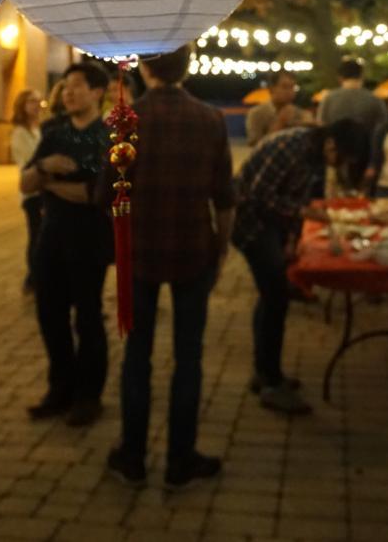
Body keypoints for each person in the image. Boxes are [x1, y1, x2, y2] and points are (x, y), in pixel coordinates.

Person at [101, 46, 234, 490]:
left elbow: (107, 193)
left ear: (146, 67)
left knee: (137, 357)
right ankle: (181, 459)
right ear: (187, 67)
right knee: (189, 357)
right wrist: (222, 247)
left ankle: (133, 457)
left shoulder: (125, 121)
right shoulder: (210, 120)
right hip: (194, 248)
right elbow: (225, 197)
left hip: (139, 252)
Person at [232, 119, 369, 415]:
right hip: (250, 224)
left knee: (271, 296)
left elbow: (298, 196)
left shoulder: (314, 154)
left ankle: (265, 373)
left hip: (271, 225)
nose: (338, 164)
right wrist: (302, 213)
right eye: (341, 158)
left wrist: (293, 236)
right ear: (332, 143)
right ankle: (270, 383)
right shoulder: (290, 147)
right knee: (276, 297)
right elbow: (257, 196)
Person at [20, 62, 114, 427]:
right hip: (52, 238)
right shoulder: (54, 133)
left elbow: (93, 195)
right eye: (66, 85)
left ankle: (89, 396)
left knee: (88, 317)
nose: (69, 92)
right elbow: (24, 184)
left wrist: (52, 184)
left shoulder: (106, 136)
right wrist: (44, 169)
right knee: (50, 315)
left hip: (89, 241)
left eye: (77, 85)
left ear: (97, 92)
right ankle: (60, 389)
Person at [10, 89, 44, 295]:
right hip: (32, 193)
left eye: (38, 101)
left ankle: (36, 276)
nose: (36, 105)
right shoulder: (20, 133)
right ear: (23, 105)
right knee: (36, 235)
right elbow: (26, 164)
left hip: (45, 190)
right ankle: (33, 278)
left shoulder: (39, 128)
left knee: (41, 235)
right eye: (32, 101)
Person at [318, 57, 386, 136]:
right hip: (367, 146)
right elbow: (383, 124)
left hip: (337, 146)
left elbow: (321, 124)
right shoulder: (374, 99)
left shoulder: (328, 99)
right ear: (361, 76)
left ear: (340, 77)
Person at [245, 70, 312, 147]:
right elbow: (255, 147)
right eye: (284, 87)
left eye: (292, 87)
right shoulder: (257, 113)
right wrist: (280, 122)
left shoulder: (301, 114)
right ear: (272, 89)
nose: (289, 91)